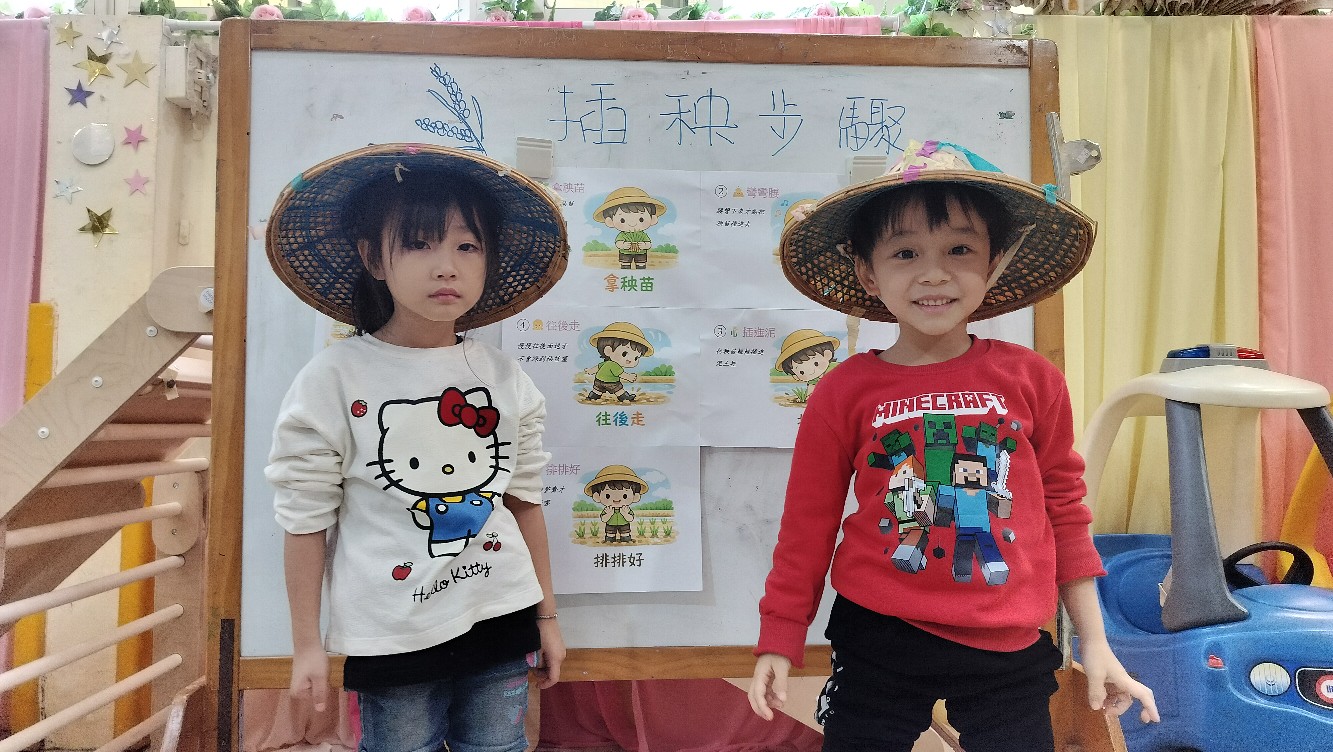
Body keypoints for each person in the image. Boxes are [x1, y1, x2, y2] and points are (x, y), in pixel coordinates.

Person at [748, 140, 1160, 752]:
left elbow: (1065, 513)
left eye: (959, 250)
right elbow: (807, 526)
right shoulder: (844, 390)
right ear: (869, 273)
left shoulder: (1032, 379)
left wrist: (1095, 642)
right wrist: (780, 636)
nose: (934, 273)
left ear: (994, 263)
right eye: (905, 252)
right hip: (880, 634)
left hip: (1008, 641)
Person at [264, 143, 571, 752]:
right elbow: (304, 520)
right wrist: (306, 643)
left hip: (501, 614)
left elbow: (524, 503)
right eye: (419, 244)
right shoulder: (334, 378)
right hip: (390, 633)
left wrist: (548, 618)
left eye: (467, 246)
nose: (446, 267)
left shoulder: (505, 378)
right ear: (372, 258)